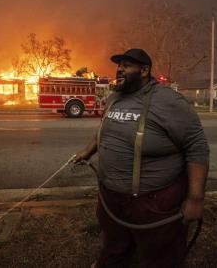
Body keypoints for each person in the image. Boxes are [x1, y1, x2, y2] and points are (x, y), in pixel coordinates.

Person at [73, 48, 209, 268]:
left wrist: (195, 199)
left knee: (158, 255)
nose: (119, 70)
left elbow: (197, 147)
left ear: (145, 70)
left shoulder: (169, 102)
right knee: (115, 245)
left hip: (152, 203)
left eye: (126, 66)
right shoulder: (115, 98)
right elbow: (104, 130)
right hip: (111, 199)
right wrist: (88, 151)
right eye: (119, 66)